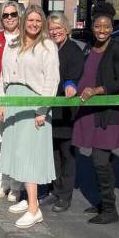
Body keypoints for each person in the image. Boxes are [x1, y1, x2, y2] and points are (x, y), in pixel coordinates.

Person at [0, 5, 60, 228]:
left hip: (33, 104)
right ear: (24, 21)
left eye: (38, 20)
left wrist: (42, 110)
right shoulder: (13, 44)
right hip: (13, 101)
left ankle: (34, 209)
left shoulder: (47, 46)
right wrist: (1, 103)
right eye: (30, 20)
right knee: (17, 153)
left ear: (42, 23)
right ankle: (27, 200)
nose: (33, 24)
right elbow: (4, 75)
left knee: (30, 155)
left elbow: (52, 81)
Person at [72, 2, 119, 225]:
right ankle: (103, 203)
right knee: (101, 161)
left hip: (107, 113)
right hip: (90, 113)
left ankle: (110, 209)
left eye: (106, 27)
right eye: (98, 26)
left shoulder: (118, 48)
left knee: (100, 160)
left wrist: (97, 90)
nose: (102, 30)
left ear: (112, 28)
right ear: (92, 27)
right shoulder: (89, 48)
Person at [38, 12, 84, 212]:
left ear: (66, 29)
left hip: (67, 111)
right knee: (53, 153)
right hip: (49, 109)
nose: (55, 31)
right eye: (51, 28)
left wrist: (70, 84)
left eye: (59, 28)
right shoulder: (47, 49)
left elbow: (74, 74)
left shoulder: (73, 50)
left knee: (67, 154)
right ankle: (54, 190)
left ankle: (65, 195)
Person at [0, 1, 24, 202]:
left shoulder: (27, 38)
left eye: (13, 14)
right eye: (5, 15)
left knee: (17, 143)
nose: (9, 18)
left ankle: (16, 187)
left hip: (20, 98)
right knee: (0, 141)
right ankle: (3, 182)